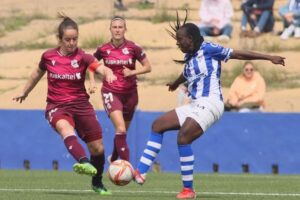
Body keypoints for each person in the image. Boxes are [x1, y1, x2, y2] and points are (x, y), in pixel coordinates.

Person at [134, 11, 285, 199]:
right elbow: (186, 73)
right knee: (158, 125)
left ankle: (188, 190)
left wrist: (269, 57)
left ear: (191, 39)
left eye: (180, 40)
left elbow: (237, 53)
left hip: (211, 103)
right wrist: (175, 83)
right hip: (196, 103)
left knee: (183, 138)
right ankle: (140, 172)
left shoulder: (209, 49)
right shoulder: (189, 58)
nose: (178, 43)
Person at [13, 14, 116, 195]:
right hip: (56, 106)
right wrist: (25, 91)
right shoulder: (48, 56)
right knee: (65, 129)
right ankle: (83, 162)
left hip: (81, 105)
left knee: (98, 148)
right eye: (67, 39)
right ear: (59, 39)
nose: (71, 43)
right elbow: (36, 74)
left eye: (74, 39)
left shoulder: (83, 56)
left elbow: (99, 67)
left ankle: (97, 181)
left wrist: (107, 73)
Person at [89, 16, 152, 163]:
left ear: (125, 29)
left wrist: (132, 72)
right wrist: (92, 82)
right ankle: (126, 165)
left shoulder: (134, 48)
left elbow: (148, 67)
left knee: (122, 131)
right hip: (111, 92)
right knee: (121, 129)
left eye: (120, 27)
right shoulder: (103, 49)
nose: (117, 30)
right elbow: (90, 65)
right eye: (114, 27)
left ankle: (115, 158)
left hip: (130, 94)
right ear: (110, 29)